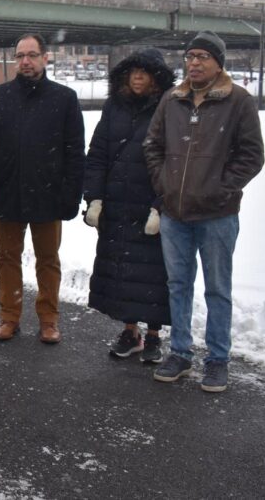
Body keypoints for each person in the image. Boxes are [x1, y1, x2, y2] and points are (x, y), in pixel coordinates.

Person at [144, 31, 264, 393]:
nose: (193, 62)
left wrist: (220, 190)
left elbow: (251, 156)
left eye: (202, 56)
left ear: (218, 62)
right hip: (175, 214)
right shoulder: (172, 99)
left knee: (217, 289)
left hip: (217, 215)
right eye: (189, 56)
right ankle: (180, 352)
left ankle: (218, 359)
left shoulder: (238, 101)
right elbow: (153, 145)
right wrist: (164, 185)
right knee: (178, 286)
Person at [0, 33, 84, 344]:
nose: (25, 61)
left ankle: (49, 320)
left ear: (45, 57)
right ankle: (9, 317)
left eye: (31, 55)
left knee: (48, 259)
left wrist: (71, 194)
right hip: (8, 191)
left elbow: (74, 151)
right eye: (19, 56)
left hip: (48, 194)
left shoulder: (64, 98)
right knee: (8, 258)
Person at [83, 50, 175, 364]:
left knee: (152, 275)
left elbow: (174, 161)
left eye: (144, 72)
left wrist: (159, 206)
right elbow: (97, 155)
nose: (137, 77)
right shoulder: (114, 108)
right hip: (117, 204)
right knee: (123, 271)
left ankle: (154, 334)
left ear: (156, 77)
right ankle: (130, 331)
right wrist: (94, 198)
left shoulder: (169, 107)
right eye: (132, 72)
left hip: (150, 206)